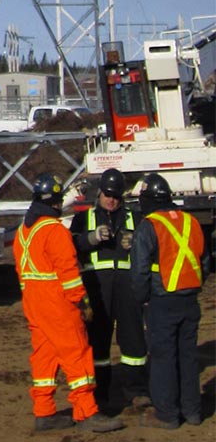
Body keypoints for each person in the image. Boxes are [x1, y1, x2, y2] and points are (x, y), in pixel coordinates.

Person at [14, 171, 123, 432]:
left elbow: (21, 271)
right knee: (77, 352)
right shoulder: (55, 231)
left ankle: (44, 411)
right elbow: (69, 272)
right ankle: (86, 412)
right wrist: (82, 302)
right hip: (56, 302)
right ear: (55, 202)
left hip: (33, 301)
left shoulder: (23, 232)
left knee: (44, 355)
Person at [130, 172, 206, 429]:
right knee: (188, 356)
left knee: (162, 358)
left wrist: (141, 300)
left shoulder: (149, 226)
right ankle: (193, 412)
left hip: (161, 302)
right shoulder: (191, 222)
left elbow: (139, 271)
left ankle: (167, 415)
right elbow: (203, 261)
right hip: (189, 299)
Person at [69, 166, 149, 411]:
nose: (111, 200)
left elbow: (149, 246)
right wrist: (90, 239)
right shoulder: (84, 218)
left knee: (133, 340)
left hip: (127, 286)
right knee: (98, 342)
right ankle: (100, 393)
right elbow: (71, 245)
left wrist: (135, 243)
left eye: (115, 196)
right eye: (107, 195)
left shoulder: (134, 217)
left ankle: (135, 391)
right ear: (99, 193)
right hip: (98, 288)